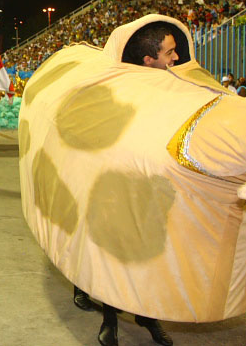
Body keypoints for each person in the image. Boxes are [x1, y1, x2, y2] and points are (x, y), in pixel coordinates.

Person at [77, 21, 176, 346]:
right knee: (115, 255)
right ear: (149, 60)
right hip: (117, 188)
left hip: (155, 190)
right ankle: (110, 319)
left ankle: (147, 315)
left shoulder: (173, 88)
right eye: (170, 52)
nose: (176, 58)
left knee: (151, 257)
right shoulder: (116, 87)